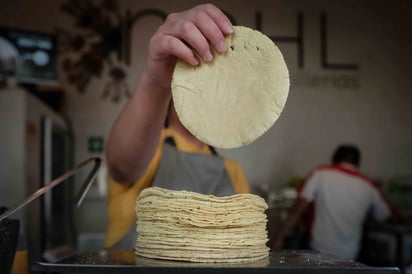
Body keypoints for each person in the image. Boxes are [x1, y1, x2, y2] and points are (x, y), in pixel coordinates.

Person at [104, 4, 250, 249]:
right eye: (198, 85)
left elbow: (243, 243)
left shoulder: (232, 169)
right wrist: (155, 81)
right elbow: (122, 167)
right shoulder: (150, 147)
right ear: (175, 94)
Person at [272, 144, 401, 260]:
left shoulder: (320, 173)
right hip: (350, 256)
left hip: (317, 251)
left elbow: (299, 209)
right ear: (358, 163)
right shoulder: (369, 186)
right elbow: (388, 216)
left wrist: (279, 238)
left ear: (334, 158)